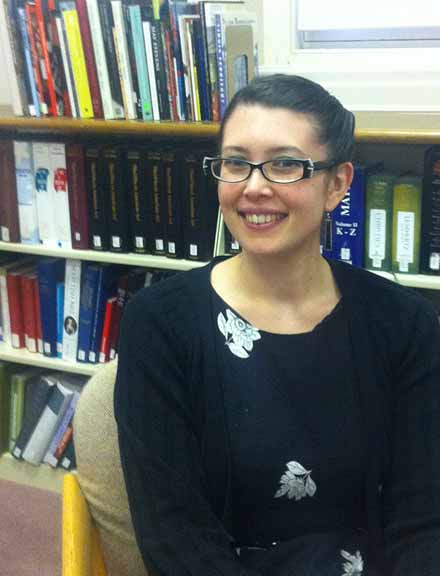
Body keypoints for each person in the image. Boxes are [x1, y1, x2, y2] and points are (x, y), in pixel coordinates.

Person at [114, 74, 440, 576]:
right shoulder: (159, 325)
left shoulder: (406, 324)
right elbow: (175, 539)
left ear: (338, 184)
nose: (255, 187)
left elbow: (423, 521)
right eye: (236, 162)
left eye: (286, 163)